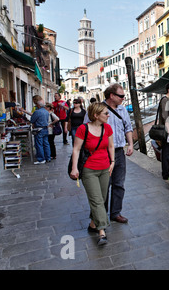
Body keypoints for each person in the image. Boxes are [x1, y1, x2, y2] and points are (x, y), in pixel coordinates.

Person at [85, 84, 134, 223]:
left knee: (119, 183)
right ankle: (100, 216)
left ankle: (115, 212)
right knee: (102, 187)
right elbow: (86, 128)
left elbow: (128, 127)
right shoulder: (98, 109)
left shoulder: (122, 109)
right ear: (111, 96)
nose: (123, 98)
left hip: (118, 151)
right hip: (101, 153)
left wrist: (130, 144)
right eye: (121, 96)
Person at [70, 103, 115, 246]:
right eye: (105, 113)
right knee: (96, 200)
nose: (108, 115)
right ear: (96, 115)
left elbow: (111, 146)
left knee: (101, 199)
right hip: (89, 170)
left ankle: (92, 224)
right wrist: (74, 168)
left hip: (105, 169)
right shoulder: (83, 129)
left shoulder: (107, 128)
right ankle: (102, 231)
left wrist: (112, 162)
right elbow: (76, 149)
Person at [30, 100, 51, 164]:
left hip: (39, 129)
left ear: (38, 105)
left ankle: (41, 159)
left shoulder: (37, 112)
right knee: (46, 144)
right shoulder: (46, 112)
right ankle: (48, 157)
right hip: (45, 129)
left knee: (39, 144)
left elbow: (32, 120)